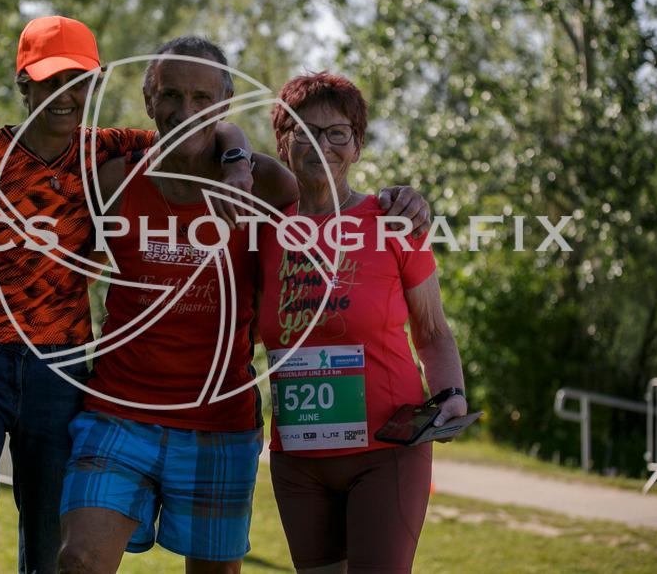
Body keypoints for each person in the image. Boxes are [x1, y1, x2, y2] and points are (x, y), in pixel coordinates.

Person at [54, 41, 431, 573]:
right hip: (119, 411)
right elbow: (62, 261)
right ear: (147, 99)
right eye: (170, 95)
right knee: (80, 558)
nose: (186, 113)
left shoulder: (266, 186)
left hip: (219, 423)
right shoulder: (114, 181)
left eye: (203, 98)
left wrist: (402, 202)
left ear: (227, 103)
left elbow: (333, 206)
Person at [0, 16, 255, 573]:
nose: (65, 96)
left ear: (95, 86)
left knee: (47, 557)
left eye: (79, 82)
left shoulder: (105, 153)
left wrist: (238, 153)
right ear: (24, 83)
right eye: (49, 81)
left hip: (59, 370)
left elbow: (203, 128)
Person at [257, 72, 466, 573]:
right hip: (298, 459)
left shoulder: (395, 221)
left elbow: (432, 331)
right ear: (283, 144)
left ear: (357, 144)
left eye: (337, 132)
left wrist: (451, 395)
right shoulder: (263, 234)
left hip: (386, 452)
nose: (321, 144)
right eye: (304, 131)